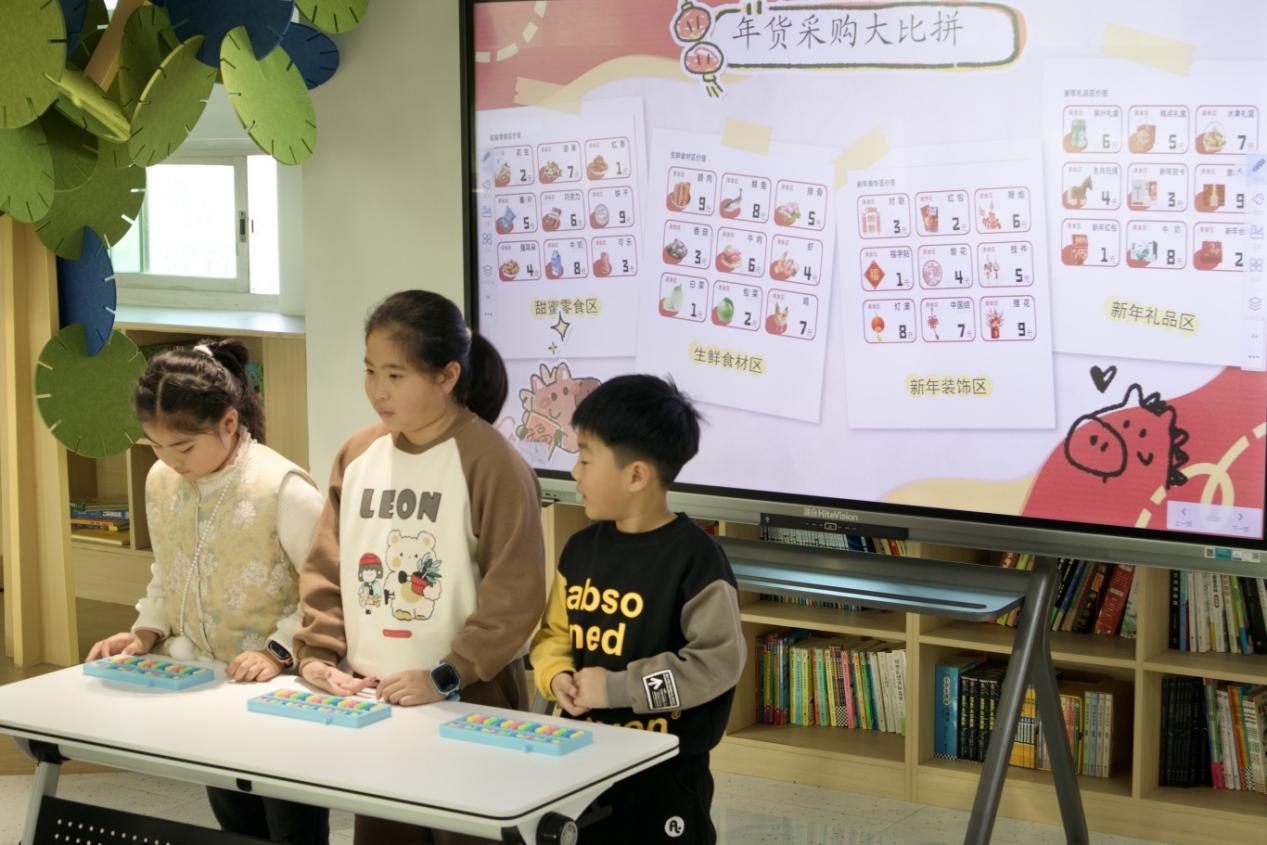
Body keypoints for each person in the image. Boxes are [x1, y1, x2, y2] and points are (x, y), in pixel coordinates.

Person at [293, 290, 546, 845]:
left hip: (467, 699)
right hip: (374, 700)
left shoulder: (492, 463)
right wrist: (318, 655)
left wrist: (446, 675)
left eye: (395, 375)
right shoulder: (357, 453)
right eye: (369, 372)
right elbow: (328, 567)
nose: (377, 391)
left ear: (448, 376)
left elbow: (515, 595)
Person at [86, 339, 329, 845]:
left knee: (290, 822)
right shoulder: (161, 480)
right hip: (208, 679)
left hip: (278, 687)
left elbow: (328, 591)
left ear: (229, 422)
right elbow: (169, 569)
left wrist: (277, 651)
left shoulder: (281, 487)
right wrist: (145, 631)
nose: (170, 460)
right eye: (156, 445)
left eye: (183, 447)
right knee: (233, 817)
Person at [529, 374, 746, 845]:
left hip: (664, 772)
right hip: (584, 761)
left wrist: (616, 689)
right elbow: (553, 637)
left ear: (636, 476)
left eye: (585, 459)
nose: (574, 473)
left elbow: (714, 664)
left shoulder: (696, 560)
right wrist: (556, 675)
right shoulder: (579, 549)